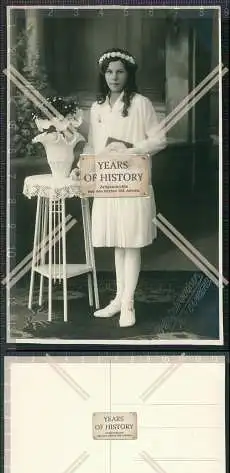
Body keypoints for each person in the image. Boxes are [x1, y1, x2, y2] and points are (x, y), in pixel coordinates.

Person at [80, 48, 166, 327]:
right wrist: (82, 163)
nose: (113, 77)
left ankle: (128, 304)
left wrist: (129, 148)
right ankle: (118, 299)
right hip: (107, 181)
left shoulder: (141, 103)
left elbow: (159, 140)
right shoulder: (97, 107)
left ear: (129, 74)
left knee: (131, 241)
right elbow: (93, 144)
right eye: (109, 72)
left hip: (133, 180)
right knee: (118, 241)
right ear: (103, 75)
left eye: (119, 71)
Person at [32, 97, 85, 178]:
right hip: (55, 156)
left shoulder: (67, 122)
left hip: (66, 156)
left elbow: (68, 124)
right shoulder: (50, 124)